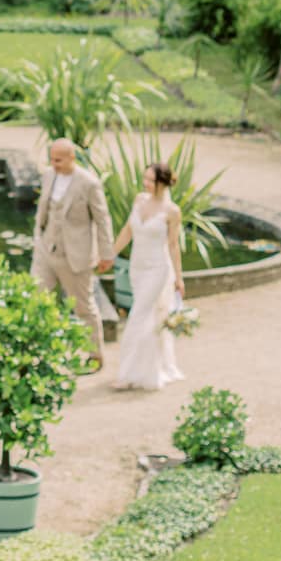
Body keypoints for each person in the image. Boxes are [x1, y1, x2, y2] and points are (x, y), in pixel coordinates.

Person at [32, 137, 115, 372]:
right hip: (47, 250)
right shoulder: (49, 175)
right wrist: (38, 237)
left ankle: (95, 356)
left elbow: (102, 219)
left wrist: (106, 254)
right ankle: (38, 354)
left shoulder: (89, 183)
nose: (54, 164)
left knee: (83, 307)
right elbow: (44, 209)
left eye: (58, 160)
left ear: (72, 158)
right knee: (38, 299)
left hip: (75, 255)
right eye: (52, 159)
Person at [111, 160, 186, 392]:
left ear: (163, 183)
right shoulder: (139, 200)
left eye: (150, 180)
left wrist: (179, 278)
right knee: (146, 318)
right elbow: (127, 231)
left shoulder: (172, 211)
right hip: (137, 267)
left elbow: (173, 245)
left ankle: (126, 373)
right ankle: (145, 368)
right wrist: (109, 255)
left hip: (157, 268)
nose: (145, 184)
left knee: (137, 315)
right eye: (144, 179)